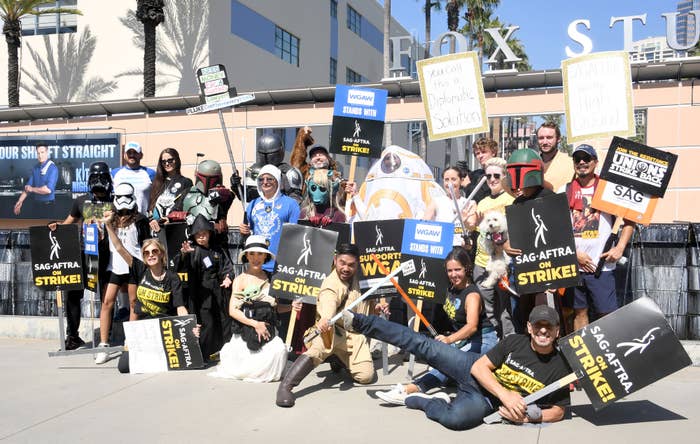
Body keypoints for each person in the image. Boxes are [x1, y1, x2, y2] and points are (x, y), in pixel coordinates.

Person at [344, 305, 571, 430]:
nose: (543, 332)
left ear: (557, 330)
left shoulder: (560, 366)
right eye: (538, 326)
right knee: (426, 346)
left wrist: (528, 419)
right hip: (473, 369)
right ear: (529, 328)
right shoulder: (515, 342)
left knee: (456, 421)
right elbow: (480, 368)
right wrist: (508, 396)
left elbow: (559, 411)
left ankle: (430, 401)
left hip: (486, 400)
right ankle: (361, 322)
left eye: (549, 327)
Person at [376, 247, 498, 405]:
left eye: (458, 270)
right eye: (450, 270)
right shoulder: (452, 287)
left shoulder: (472, 295)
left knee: (447, 362)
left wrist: (449, 340)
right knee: (440, 359)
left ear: (467, 268)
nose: (453, 275)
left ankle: (410, 390)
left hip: (483, 341)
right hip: (465, 340)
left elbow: (472, 326)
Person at [276, 243, 387, 408]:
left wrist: (377, 309)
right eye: (342, 263)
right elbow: (329, 302)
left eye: (351, 265)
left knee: (366, 376)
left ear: (357, 264)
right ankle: (286, 386)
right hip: (331, 330)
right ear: (335, 260)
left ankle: (338, 357)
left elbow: (366, 309)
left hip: (354, 336)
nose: (346, 268)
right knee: (319, 347)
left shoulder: (363, 279)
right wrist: (325, 319)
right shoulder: (331, 284)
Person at [560, 144, 635, 330]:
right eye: (578, 159)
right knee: (579, 313)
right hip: (573, 265)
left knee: (607, 315)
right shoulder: (564, 190)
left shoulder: (608, 189)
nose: (582, 162)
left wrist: (619, 248)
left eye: (587, 158)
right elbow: (554, 228)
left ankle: (608, 354)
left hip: (601, 266)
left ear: (595, 162)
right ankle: (582, 356)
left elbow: (630, 220)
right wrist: (574, 254)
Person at [100, 228, 192, 374]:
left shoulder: (172, 277)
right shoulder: (140, 269)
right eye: (146, 253)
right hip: (142, 328)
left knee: (169, 364)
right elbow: (119, 247)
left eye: (154, 251)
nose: (151, 255)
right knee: (124, 367)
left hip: (163, 329)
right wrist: (109, 226)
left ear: (161, 253)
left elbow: (180, 307)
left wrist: (189, 327)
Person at [209, 235, 296, 382]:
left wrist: (291, 307)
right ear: (246, 256)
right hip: (245, 332)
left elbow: (275, 309)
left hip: (268, 331)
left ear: (265, 256)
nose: (256, 258)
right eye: (252, 254)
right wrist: (255, 324)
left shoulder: (271, 278)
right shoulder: (240, 280)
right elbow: (233, 310)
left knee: (278, 351)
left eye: (260, 254)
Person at [49, 161, 113, 350]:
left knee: (107, 297)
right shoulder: (81, 200)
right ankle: (73, 336)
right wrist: (56, 226)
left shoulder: (116, 200)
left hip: (108, 256)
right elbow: (69, 222)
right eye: (95, 177)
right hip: (86, 255)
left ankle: (105, 335)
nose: (99, 182)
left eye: (102, 177)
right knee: (73, 294)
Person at [95, 183, 151, 365]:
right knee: (107, 302)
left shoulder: (140, 219)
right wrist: (98, 225)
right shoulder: (109, 218)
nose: (123, 201)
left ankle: (130, 340)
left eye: (127, 196)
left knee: (134, 304)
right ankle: (104, 344)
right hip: (115, 266)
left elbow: (145, 243)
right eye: (120, 197)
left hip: (134, 266)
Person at [503, 148, 556, 333]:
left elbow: (560, 237)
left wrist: (556, 277)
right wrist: (506, 245)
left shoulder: (551, 200)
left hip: (547, 272)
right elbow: (511, 236)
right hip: (524, 272)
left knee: (545, 317)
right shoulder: (517, 203)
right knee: (525, 317)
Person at [465, 157, 515, 336]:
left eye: (496, 175)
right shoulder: (483, 202)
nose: (492, 179)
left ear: (504, 176)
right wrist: (469, 222)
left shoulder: (511, 200)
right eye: (488, 176)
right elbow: (473, 226)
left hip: (502, 264)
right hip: (482, 263)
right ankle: (495, 341)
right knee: (488, 310)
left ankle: (508, 343)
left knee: (506, 311)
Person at [179, 214, 234, 361]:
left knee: (224, 320)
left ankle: (226, 352)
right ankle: (202, 354)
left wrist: (228, 277)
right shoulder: (193, 251)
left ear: (210, 234)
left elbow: (227, 266)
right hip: (201, 292)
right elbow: (184, 267)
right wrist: (185, 255)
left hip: (219, 290)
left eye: (204, 234)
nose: (201, 237)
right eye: (198, 235)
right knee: (206, 323)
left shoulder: (218, 250)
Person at [239, 164, 300, 274]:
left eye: (270, 179)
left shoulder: (291, 204)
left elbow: (295, 235)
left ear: (277, 180)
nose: (265, 182)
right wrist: (244, 231)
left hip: (281, 266)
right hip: (258, 265)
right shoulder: (253, 204)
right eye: (261, 179)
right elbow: (249, 234)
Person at [181, 159, 235, 249]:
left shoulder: (223, 194)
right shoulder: (188, 192)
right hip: (191, 241)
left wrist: (236, 185)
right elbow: (175, 210)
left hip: (216, 244)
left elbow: (229, 197)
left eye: (213, 178)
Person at [147, 147, 193, 233]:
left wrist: (171, 218)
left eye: (170, 160)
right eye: (163, 162)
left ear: (177, 160)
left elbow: (186, 208)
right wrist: (151, 220)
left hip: (175, 229)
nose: (167, 164)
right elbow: (150, 208)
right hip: (156, 230)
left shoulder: (186, 182)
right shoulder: (157, 182)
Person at [424, 166, 470, 247]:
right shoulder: (436, 201)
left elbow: (472, 226)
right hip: (441, 247)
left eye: (453, 179)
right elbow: (424, 223)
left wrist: (466, 222)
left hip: (460, 249)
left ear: (461, 181)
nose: (450, 183)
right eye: (446, 180)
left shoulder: (468, 203)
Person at [254, 133, 303, 203]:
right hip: (258, 210)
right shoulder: (255, 170)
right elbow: (248, 197)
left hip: (280, 210)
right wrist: (237, 187)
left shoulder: (289, 173)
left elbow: (295, 199)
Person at [111, 141, 156, 215]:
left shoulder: (150, 173)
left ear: (141, 155)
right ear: (124, 155)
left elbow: (156, 197)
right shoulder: (115, 173)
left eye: (135, 153)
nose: (132, 155)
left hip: (142, 220)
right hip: (120, 220)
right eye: (129, 153)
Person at [13, 143, 58, 216]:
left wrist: (32, 189)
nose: (40, 155)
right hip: (36, 204)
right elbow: (28, 187)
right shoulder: (35, 168)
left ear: (47, 152)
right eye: (38, 153)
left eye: (42, 152)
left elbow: (48, 190)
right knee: (34, 226)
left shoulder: (53, 168)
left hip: (48, 206)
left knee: (47, 227)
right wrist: (19, 201)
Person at [536, 122, 574, 192]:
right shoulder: (531, 163)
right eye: (541, 138)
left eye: (549, 137)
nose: (545, 142)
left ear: (558, 139)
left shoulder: (571, 164)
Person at [463, 137, 498, 204]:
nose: (480, 156)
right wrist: (459, 172)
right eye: (477, 153)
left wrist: (468, 186)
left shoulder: (499, 173)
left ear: (493, 153)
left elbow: (483, 198)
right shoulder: (476, 174)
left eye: (483, 152)